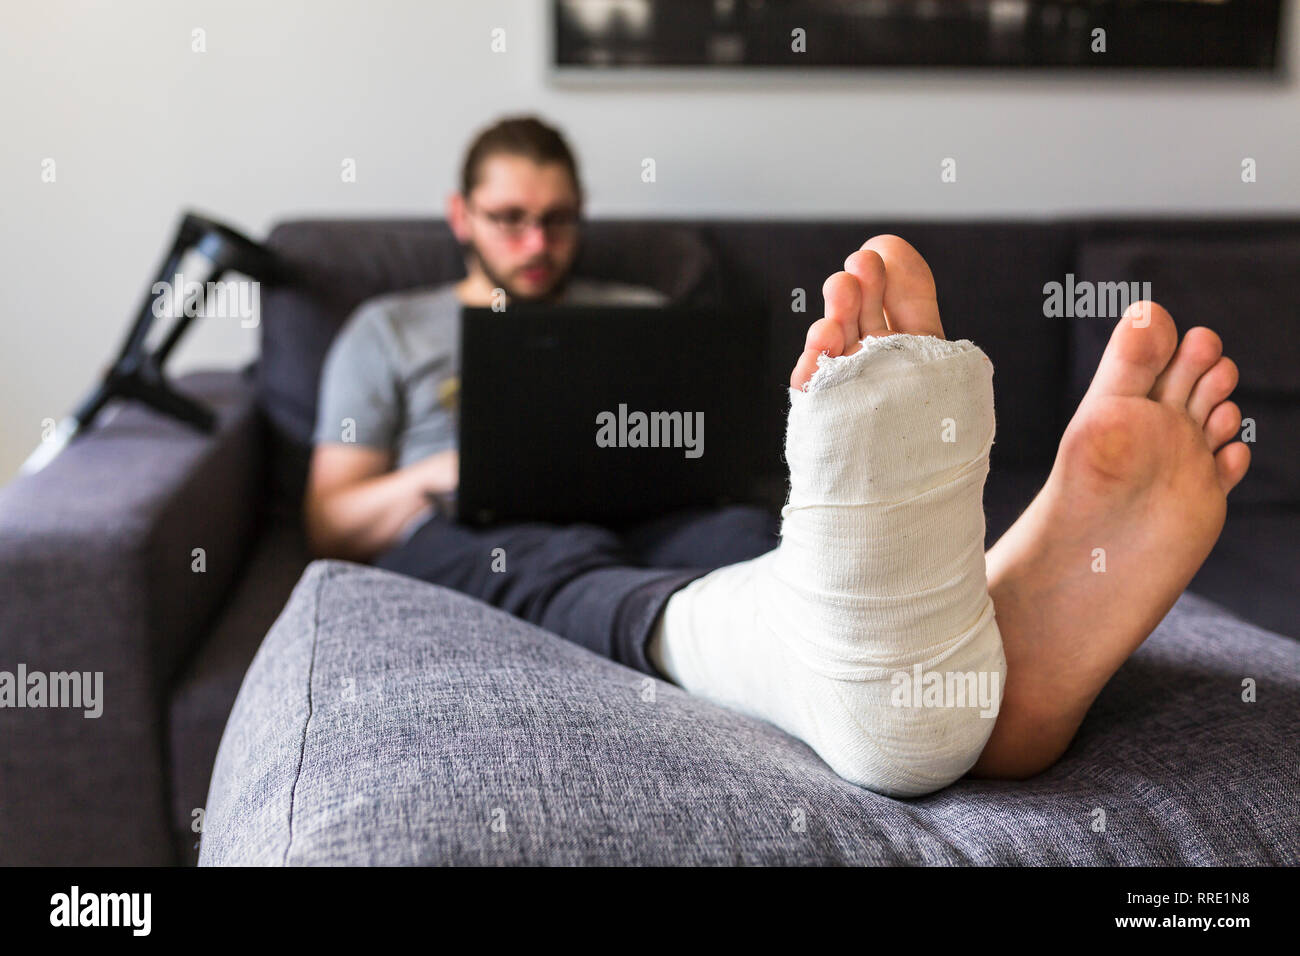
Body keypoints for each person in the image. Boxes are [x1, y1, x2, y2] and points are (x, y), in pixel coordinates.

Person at [305, 115, 1250, 796]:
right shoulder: (389, 331)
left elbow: (714, 449)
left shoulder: (635, 316)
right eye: (510, 217)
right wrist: (456, 469)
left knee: (740, 526)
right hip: (484, 523)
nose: (535, 241)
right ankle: (883, 656)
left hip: (661, 506)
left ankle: (881, 631)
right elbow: (332, 516)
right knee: (546, 564)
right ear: (460, 216)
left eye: (556, 218)